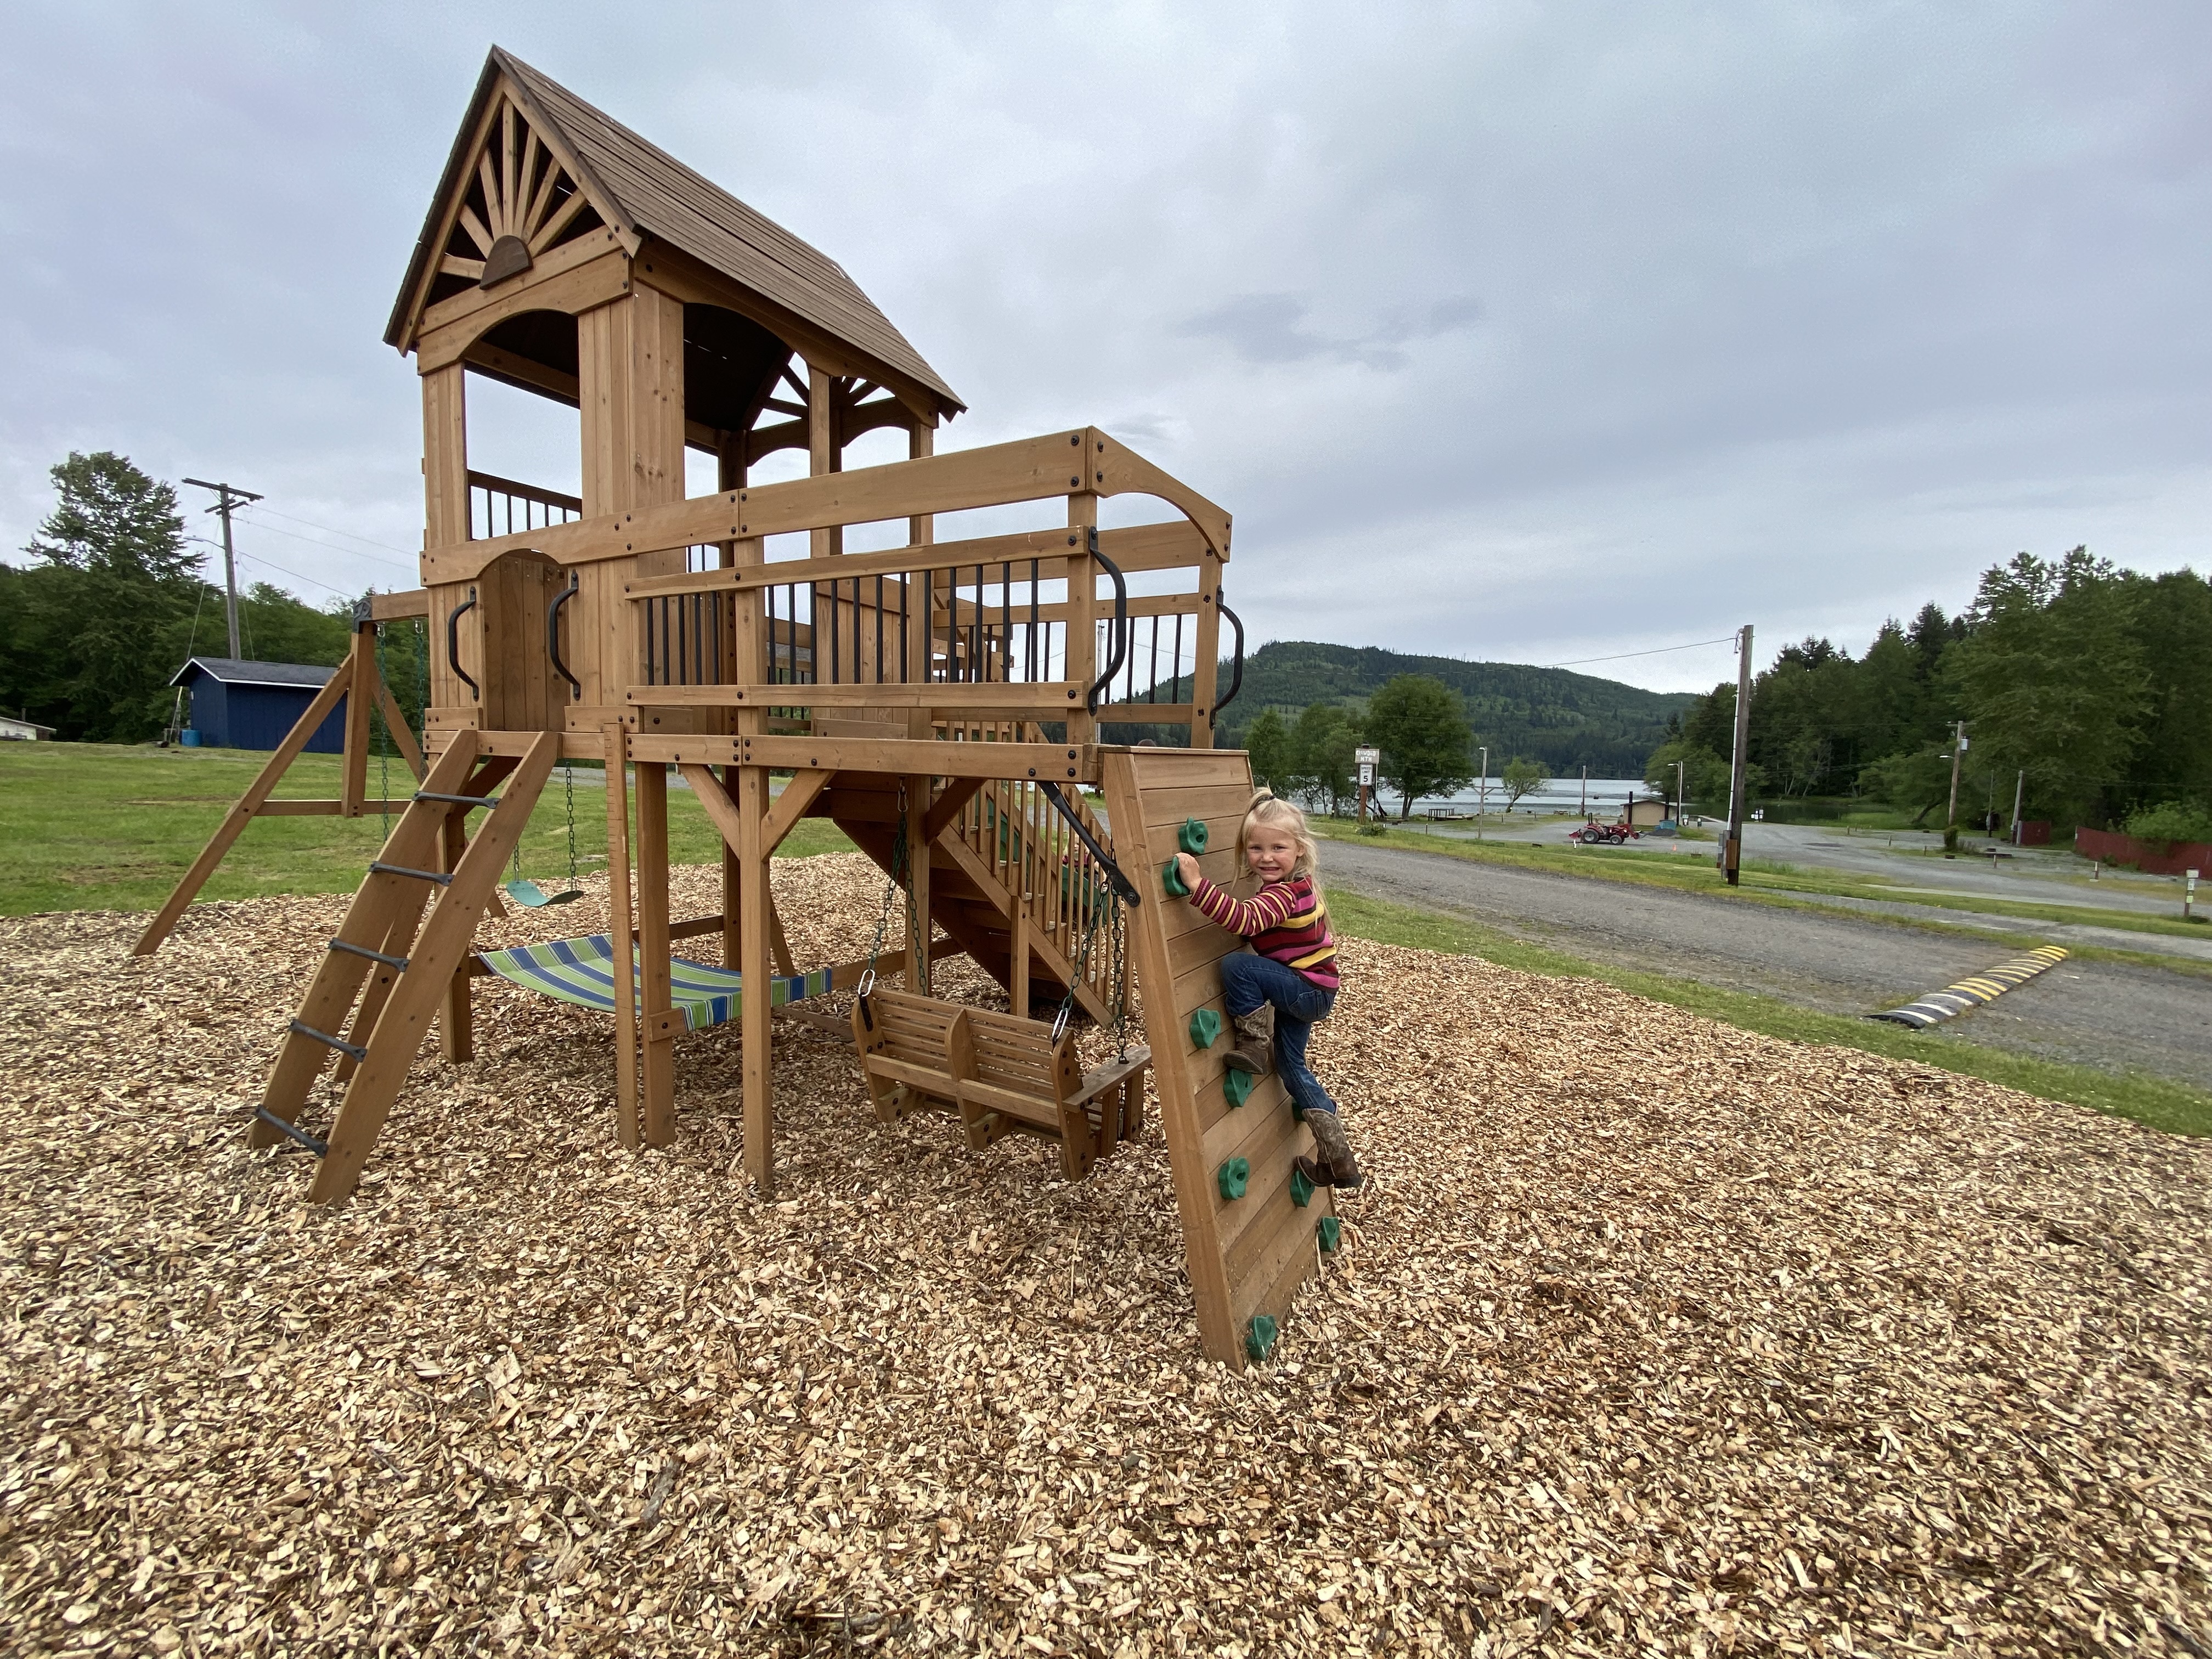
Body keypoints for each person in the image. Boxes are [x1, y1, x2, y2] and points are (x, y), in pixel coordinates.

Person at [1171, 790, 1361, 1189]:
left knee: (1238, 965)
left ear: (1299, 850)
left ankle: (1254, 1041)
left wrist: (1196, 884)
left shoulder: (1283, 895)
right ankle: (1338, 1158)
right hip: (1314, 990)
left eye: (1278, 847)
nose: (1267, 857)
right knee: (1292, 1067)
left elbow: (1242, 921)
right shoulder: (1300, 884)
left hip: (1305, 990)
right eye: (1256, 848)